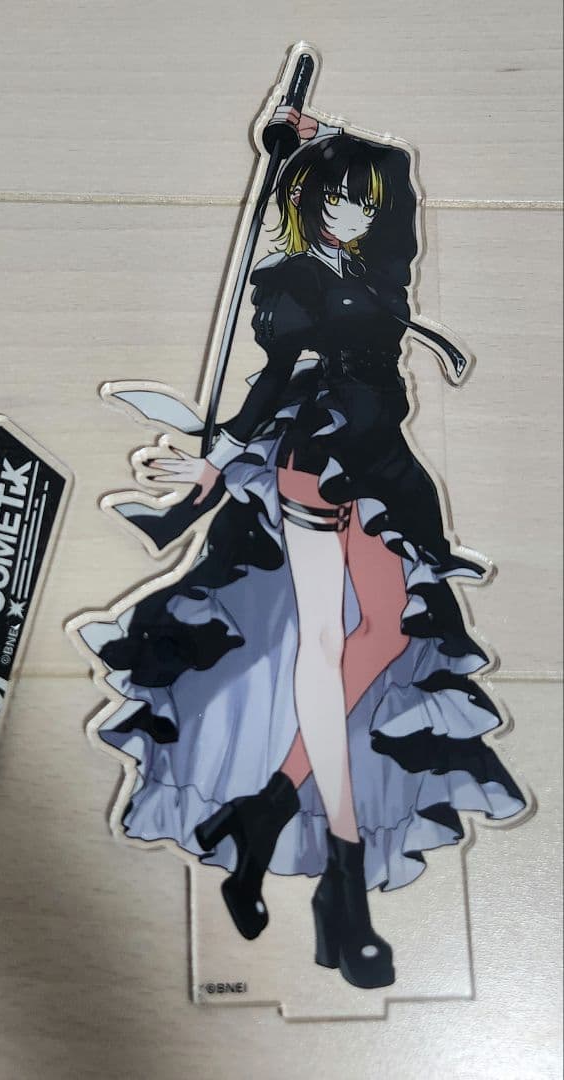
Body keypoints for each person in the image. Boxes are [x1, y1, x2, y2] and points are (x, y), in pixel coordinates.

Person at [76, 112, 526, 990]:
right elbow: (269, 387)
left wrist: (322, 134)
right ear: (308, 202)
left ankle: (265, 809)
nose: (351, 215)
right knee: (322, 645)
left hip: (387, 463)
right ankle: (342, 889)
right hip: (314, 461)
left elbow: (395, 167)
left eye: (363, 204)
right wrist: (213, 465)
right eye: (335, 200)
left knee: (387, 633)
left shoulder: (382, 264)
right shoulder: (287, 278)